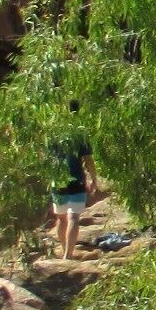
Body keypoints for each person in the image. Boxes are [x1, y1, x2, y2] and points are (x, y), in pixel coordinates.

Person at [49, 106, 97, 258]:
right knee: (73, 217)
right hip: (76, 179)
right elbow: (88, 160)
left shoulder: (53, 133)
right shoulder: (80, 135)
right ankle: (68, 255)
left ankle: (65, 251)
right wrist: (94, 179)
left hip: (57, 180)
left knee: (61, 218)